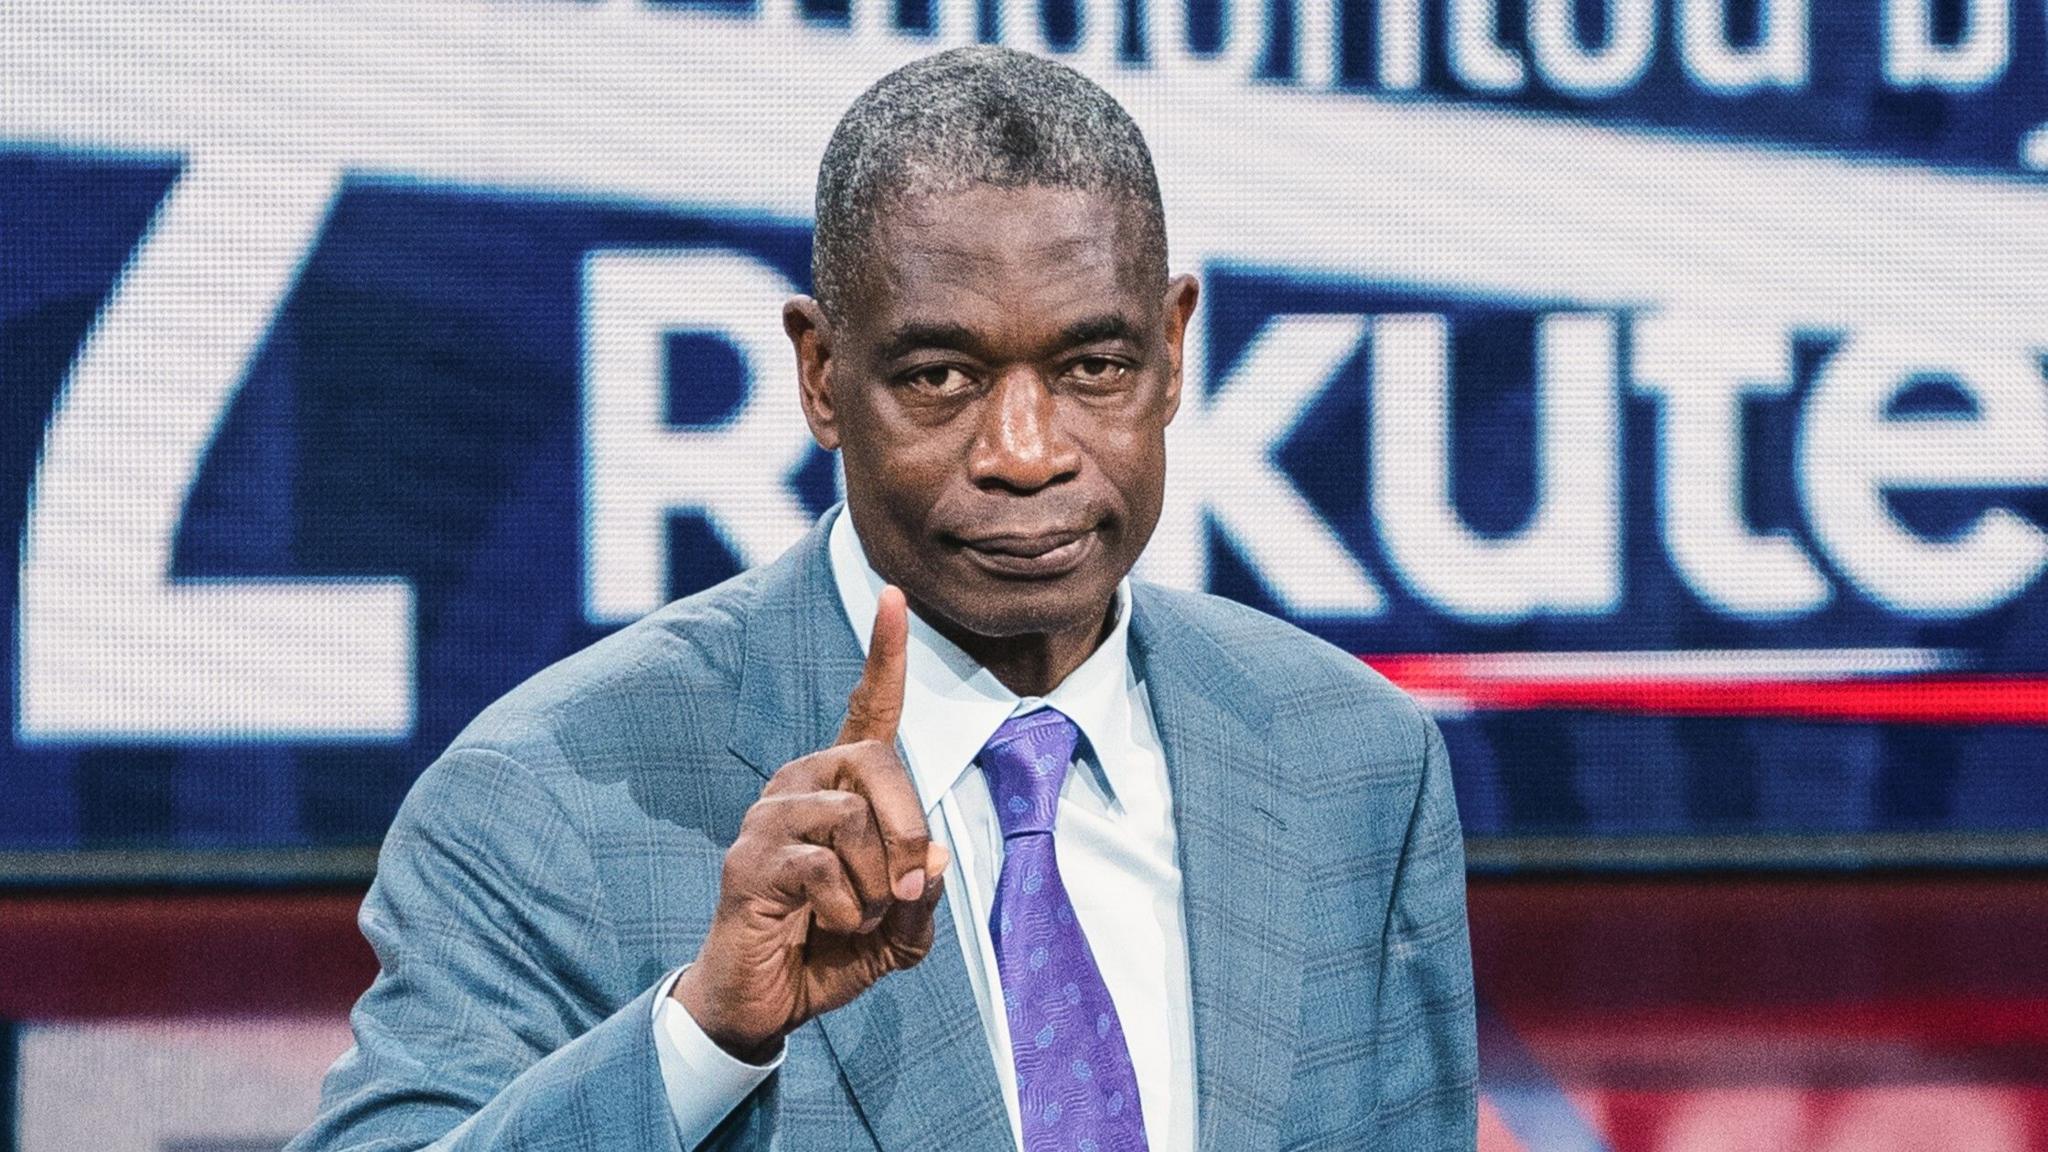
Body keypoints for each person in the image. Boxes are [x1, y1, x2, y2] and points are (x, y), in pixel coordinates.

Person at [293, 45, 1476, 1152]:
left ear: (1170, 352)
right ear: (820, 374)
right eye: (941, 377)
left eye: (1091, 367)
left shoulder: (1352, 766)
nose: (1024, 451)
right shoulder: (548, 797)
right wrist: (705, 1032)